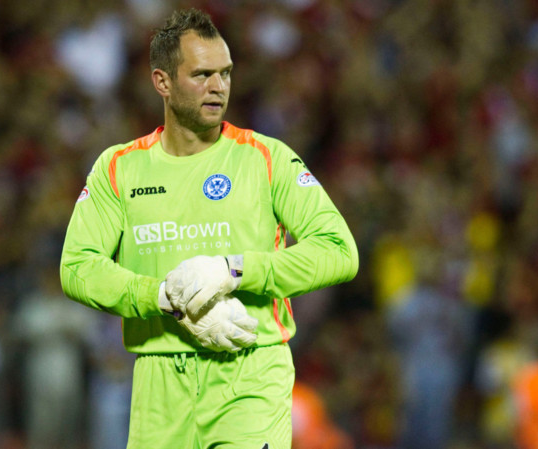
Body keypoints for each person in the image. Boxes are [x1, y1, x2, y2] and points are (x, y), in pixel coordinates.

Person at [60, 8, 359, 449]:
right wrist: (163, 299)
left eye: (226, 73)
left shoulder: (266, 157)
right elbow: (77, 268)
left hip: (249, 373)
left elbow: (339, 251)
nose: (218, 86)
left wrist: (234, 269)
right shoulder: (118, 168)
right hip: (157, 386)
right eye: (202, 74)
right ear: (162, 81)